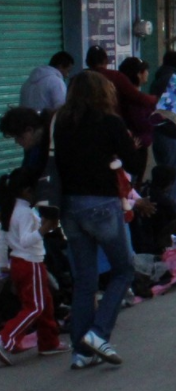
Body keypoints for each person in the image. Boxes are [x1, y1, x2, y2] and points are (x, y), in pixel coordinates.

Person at [53, 72, 136, 370]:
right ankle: (97, 333)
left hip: (69, 206)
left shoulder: (61, 122)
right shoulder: (110, 121)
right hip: (101, 203)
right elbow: (134, 161)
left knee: (84, 281)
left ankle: (81, 352)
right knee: (124, 270)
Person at [0, 169, 62, 364]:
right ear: (27, 191)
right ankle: (5, 338)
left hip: (20, 263)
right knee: (35, 307)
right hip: (29, 263)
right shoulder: (25, 212)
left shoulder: (10, 210)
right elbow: (27, 240)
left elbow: (4, 239)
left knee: (44, 304)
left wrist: (3, 263)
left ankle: (49, 342)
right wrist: (44, 228)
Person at [147, 51, 176, 207]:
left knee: (164, 178)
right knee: (174, 180)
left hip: (159, 133)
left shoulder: (157, 79)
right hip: (173, 134)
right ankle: (171, 216)